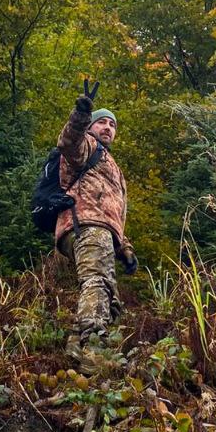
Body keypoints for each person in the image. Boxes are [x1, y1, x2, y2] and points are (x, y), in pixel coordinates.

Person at [55, 80, 138, 352]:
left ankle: (77, 347)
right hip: (86, 225)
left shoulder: (113, 167)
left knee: (108, 296)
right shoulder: (87, 146)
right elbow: (68, 143)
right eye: (102, 122)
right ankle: (93, 349)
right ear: (92, 127)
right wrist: (80, 115)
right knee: (97, 283)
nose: (108, 128)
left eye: (113, 125)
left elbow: (115, 212)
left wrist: (124, 248)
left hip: (102, 231)